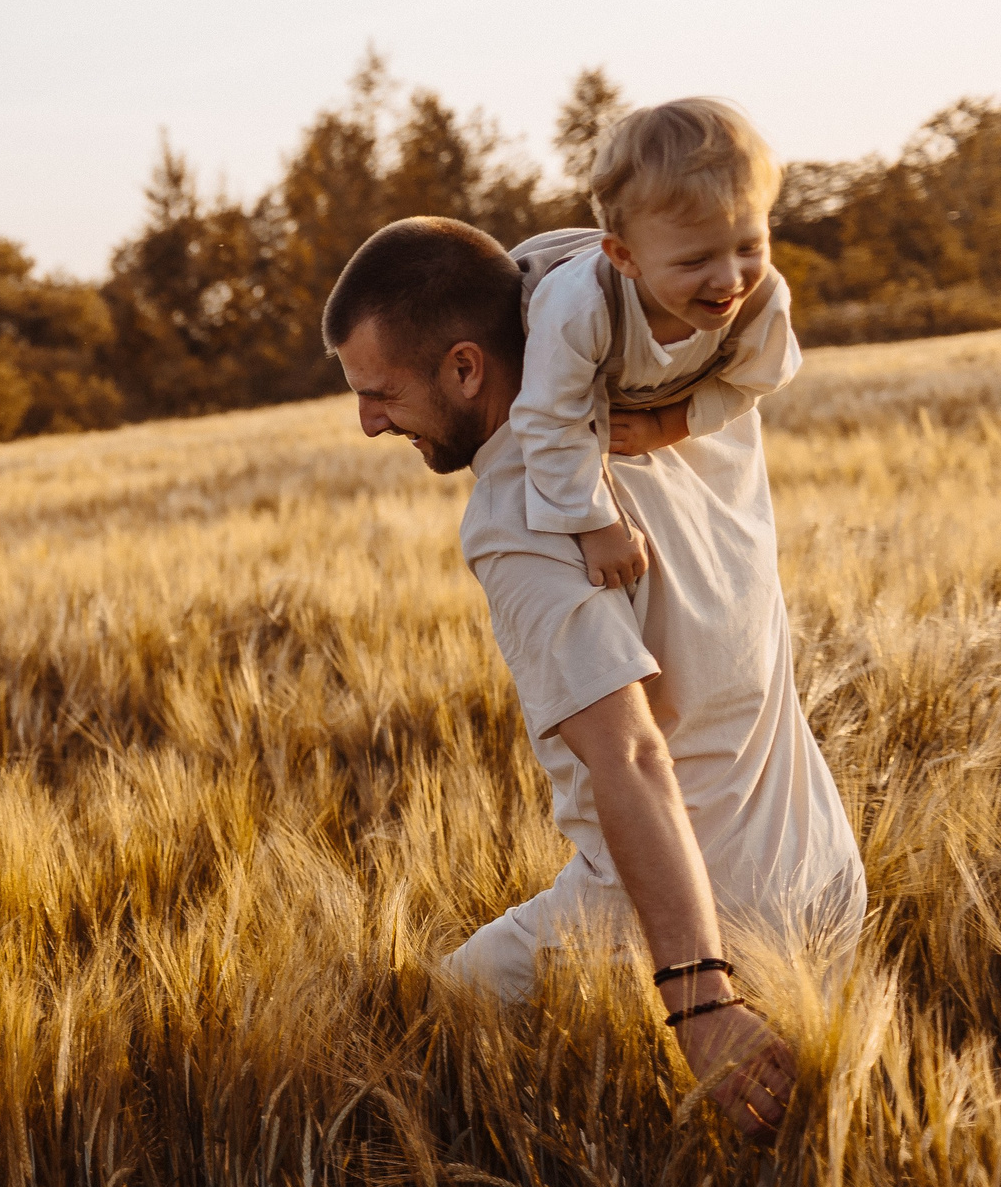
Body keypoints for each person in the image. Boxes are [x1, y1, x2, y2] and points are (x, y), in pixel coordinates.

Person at [321, 216, 866, 1140]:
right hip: (824, 873)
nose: (368, 421)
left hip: (696, 930)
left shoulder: (517, 518)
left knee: (405, 1037)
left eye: (381, 392)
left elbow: (631, 756)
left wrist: (700, 1005)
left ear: (466, 368)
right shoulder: (688, 378)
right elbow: (603, 246)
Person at [511, 99, 801, 596]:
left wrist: (666, 426)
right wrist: (597, 525)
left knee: (727, 566)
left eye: (749, 247)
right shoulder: (581, 307)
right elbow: (548, 418)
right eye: (695, 261)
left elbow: (749, 385)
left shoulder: (762, 302)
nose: (730, 278)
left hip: (664, 391)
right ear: (625, 256)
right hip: (539, 360)